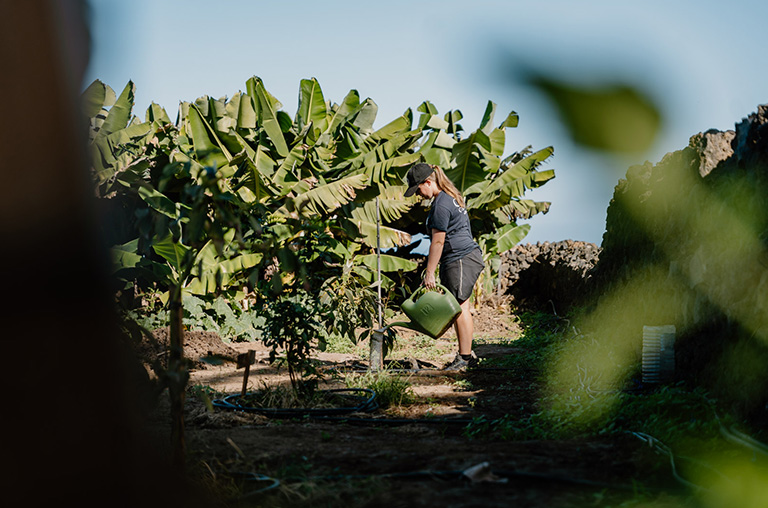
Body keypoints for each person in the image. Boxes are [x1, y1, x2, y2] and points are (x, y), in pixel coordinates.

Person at [404, 162, 485, 370]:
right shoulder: (449, 198)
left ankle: (465, 359)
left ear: (428, 182)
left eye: (418, 189)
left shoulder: (441, 205)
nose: (418, 194)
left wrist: (429, 273)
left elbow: (438, 242)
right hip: (462, 257)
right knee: (460, 307)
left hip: (461, 258)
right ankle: (465, 356)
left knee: (460, 307)